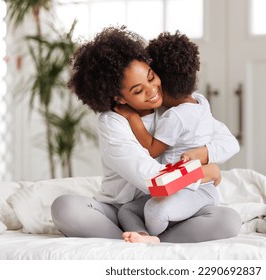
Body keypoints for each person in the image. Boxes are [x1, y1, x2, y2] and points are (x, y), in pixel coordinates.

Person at [51, 26, 241, 243]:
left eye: (151, 77)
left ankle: (147, 241)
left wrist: (204, 155)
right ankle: (139, 238)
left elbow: (227, 141)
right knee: (65, 207)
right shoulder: (113, 122)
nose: (152, 91)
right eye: (138, 91)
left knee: (228, 219)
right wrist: (207, 172)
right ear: (119, 98)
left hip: (169, 206)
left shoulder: (173, 106)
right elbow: (153, 180)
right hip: (123, 210)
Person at [115, 31, 235, 239]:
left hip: (193, 188)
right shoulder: (200, 103)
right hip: (180, 187)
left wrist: (133, 118)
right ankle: (144, 236)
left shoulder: (175, 116)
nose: (151, 89)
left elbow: (152, 150)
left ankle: (156, 237)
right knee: (127, 210)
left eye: (152, 78)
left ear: (162, 83)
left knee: (153, 210)